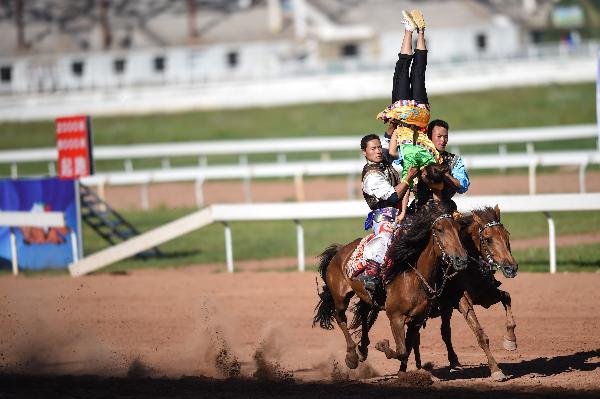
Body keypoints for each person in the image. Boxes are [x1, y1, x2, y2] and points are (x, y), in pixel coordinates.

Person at [377, 9, 442, 219]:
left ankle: (421, 31)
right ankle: (408, 30)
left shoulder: (428, 153)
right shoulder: (407, 163)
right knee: (402, 69)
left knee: (419, 73)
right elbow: (394, 153)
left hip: (422, 115)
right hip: (404, 114)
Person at [358, 133, 418, 303]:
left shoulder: (382, 156)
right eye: (373, 149)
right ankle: (371, 275)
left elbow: (390, 142)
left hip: (403, 209)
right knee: (385, 237)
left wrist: (395, 124)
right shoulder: (371, 177)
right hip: (383, 214)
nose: (378, 151)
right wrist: (408, 177)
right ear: (365, 152)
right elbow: (393, 197)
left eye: (378, 147)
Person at [408, 119, 470, 212]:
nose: (443, 140)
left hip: (446, 210)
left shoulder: (454, 160)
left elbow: (462, 187)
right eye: (439, 136)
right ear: (429, 137)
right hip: (419, 210)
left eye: (445, 137)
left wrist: (445, 175)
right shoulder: (417, 158)